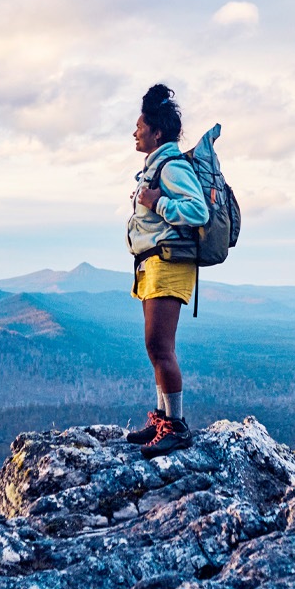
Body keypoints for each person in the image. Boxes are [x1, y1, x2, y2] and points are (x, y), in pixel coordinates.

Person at [124, 84, 209, 459]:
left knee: (160, 346)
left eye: (140, 125)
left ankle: (175, 426)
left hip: (168, 264)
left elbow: (197, 211)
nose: (135, 131)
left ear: (157, 131)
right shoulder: (158, 166)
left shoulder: (172, 167)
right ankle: (162, 417)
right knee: (154, 346)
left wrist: (157, 202)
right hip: (154, 264)